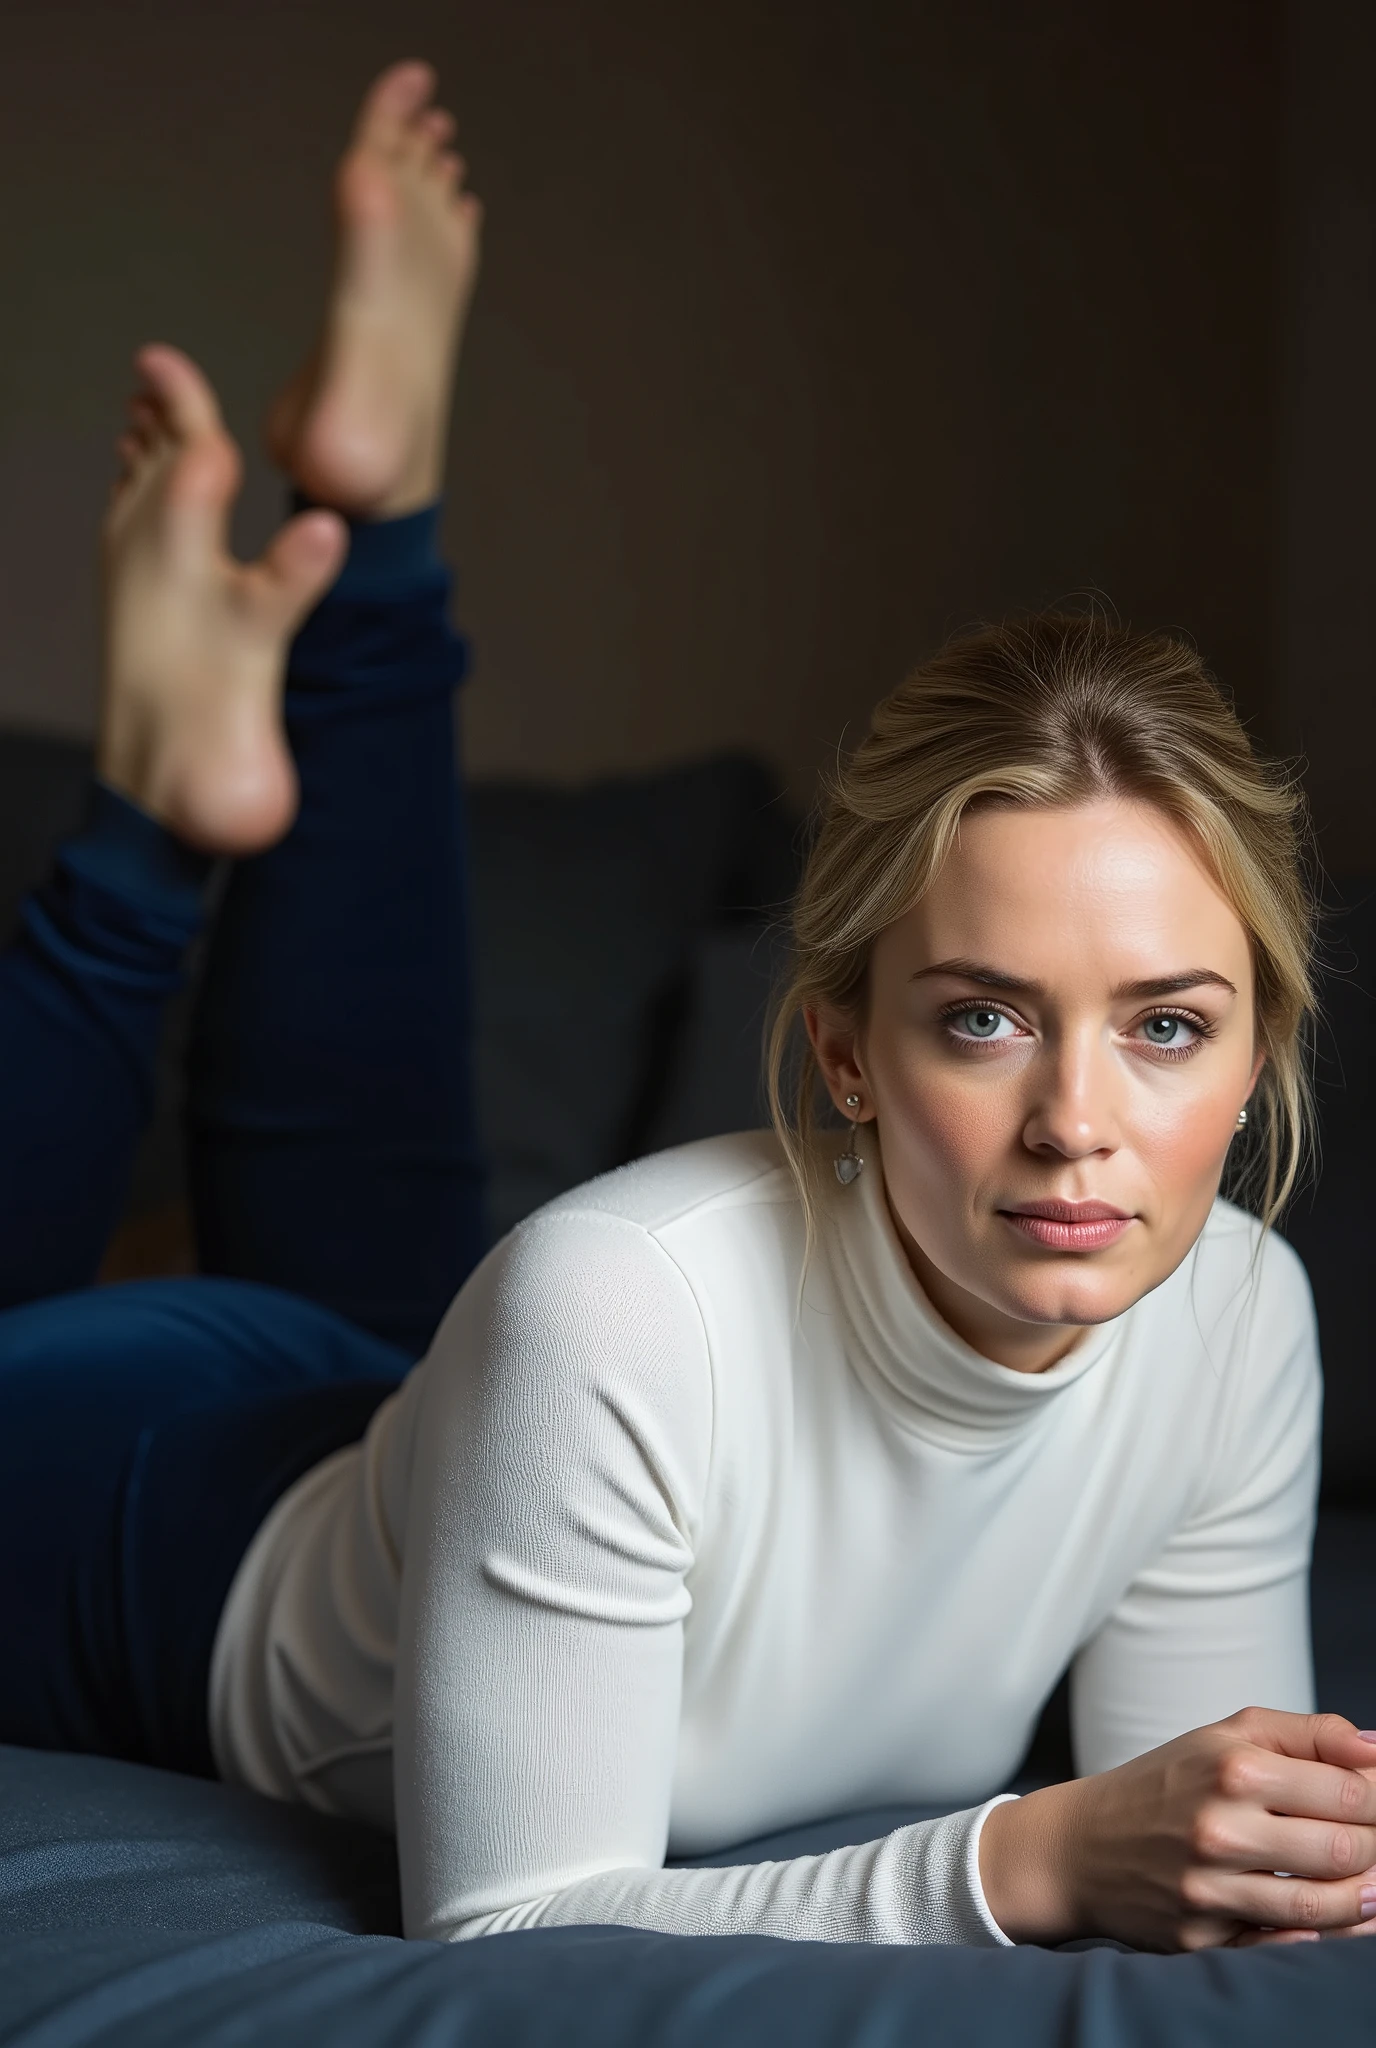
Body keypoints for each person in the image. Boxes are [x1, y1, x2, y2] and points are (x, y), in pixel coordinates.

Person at [3, 61, 1375, 1962]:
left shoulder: (1240, 1324)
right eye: (982, 1018)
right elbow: (512, 1930)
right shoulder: (618, 1304)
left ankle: (372, 515)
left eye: (1166, 1026)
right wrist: (1019, 1869)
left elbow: (1209, 1874)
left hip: (434, 1443)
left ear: (1258, 1054)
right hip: (139, 1509)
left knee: (434, 1290)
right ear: (840, 1046)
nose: (1081, 1120)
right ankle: (159, 829)